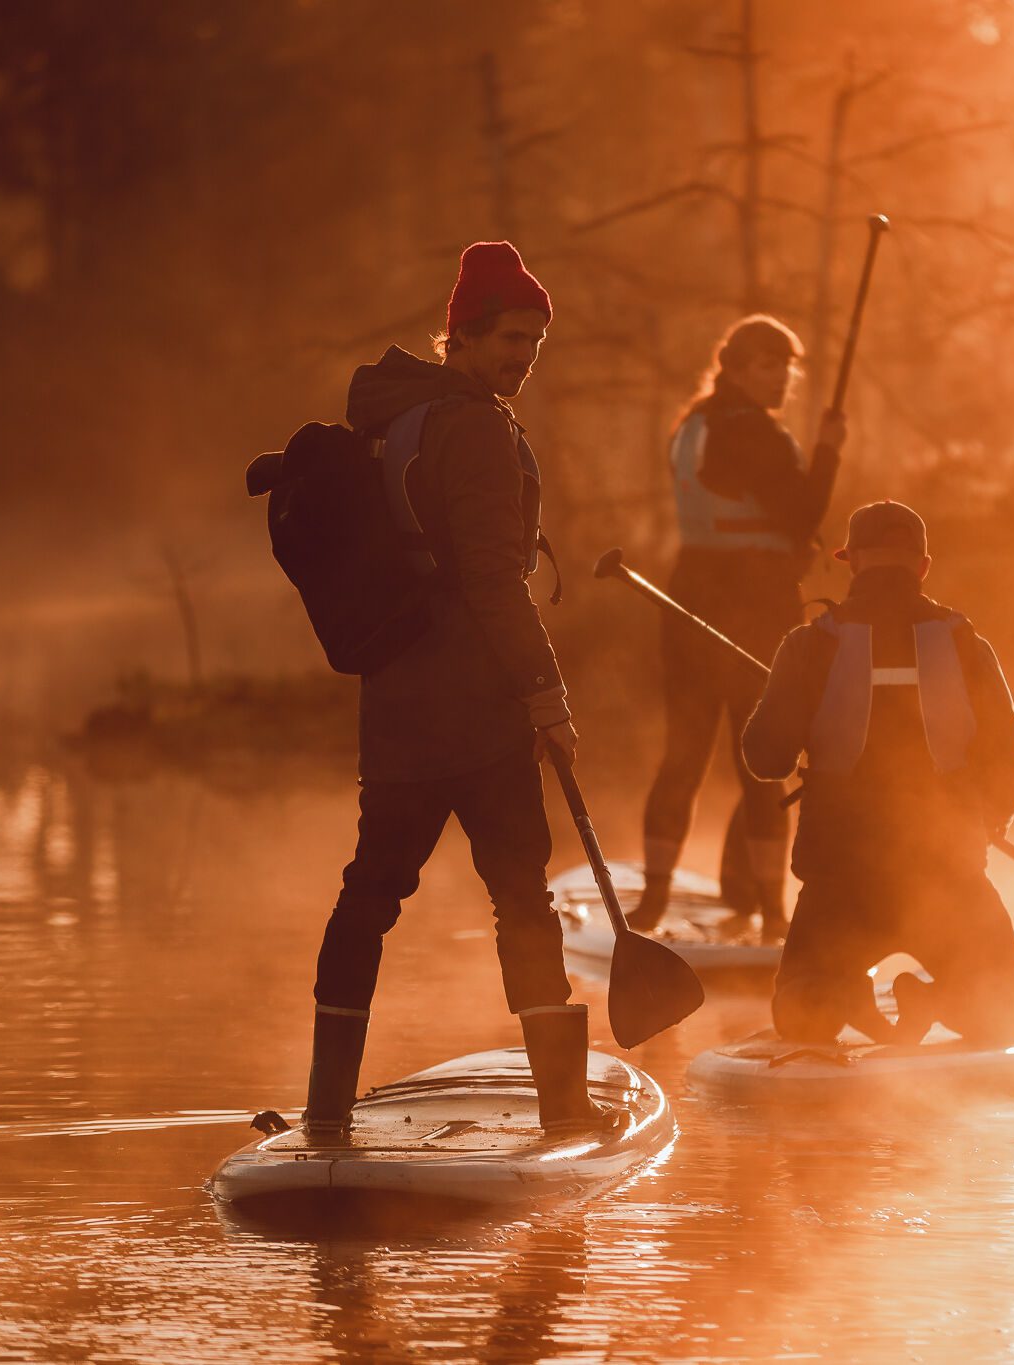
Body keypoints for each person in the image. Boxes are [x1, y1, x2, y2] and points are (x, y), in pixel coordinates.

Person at [301, 240, 603, 1141]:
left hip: (397, 701)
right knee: (522, 896)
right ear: (464, 335)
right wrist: (547, 696)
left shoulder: (400, 416)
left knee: (370, 890)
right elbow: (491, 580)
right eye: (512, 339)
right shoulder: (470, 424)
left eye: (536, 346)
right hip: (477, 707)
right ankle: (562, 1110)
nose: (523, 359)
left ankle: (325, 1106)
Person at [740, 501, 1014, 1046]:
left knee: (800, 1019)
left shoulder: (809, 644)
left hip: (839, 885)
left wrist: (796, 704)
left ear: (852, 563)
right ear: (922, 566)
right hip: (948, 878)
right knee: (1006, 1017)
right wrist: (989, 823)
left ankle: (840, 995)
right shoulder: (967, 645)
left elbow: (765, 759)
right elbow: (1008, 756)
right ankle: (936, 999)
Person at [631, 315, 845, 941]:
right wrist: (830, 448)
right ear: (738, 369)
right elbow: (803, 513)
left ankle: (653, 901)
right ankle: (775, 914)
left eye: (788, 367)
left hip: (691, 600)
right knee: (763, 761)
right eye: (768, 367)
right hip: (749, 609)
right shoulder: (754, 434)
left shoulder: (691, 424)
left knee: (684, 756)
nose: (782, 379)